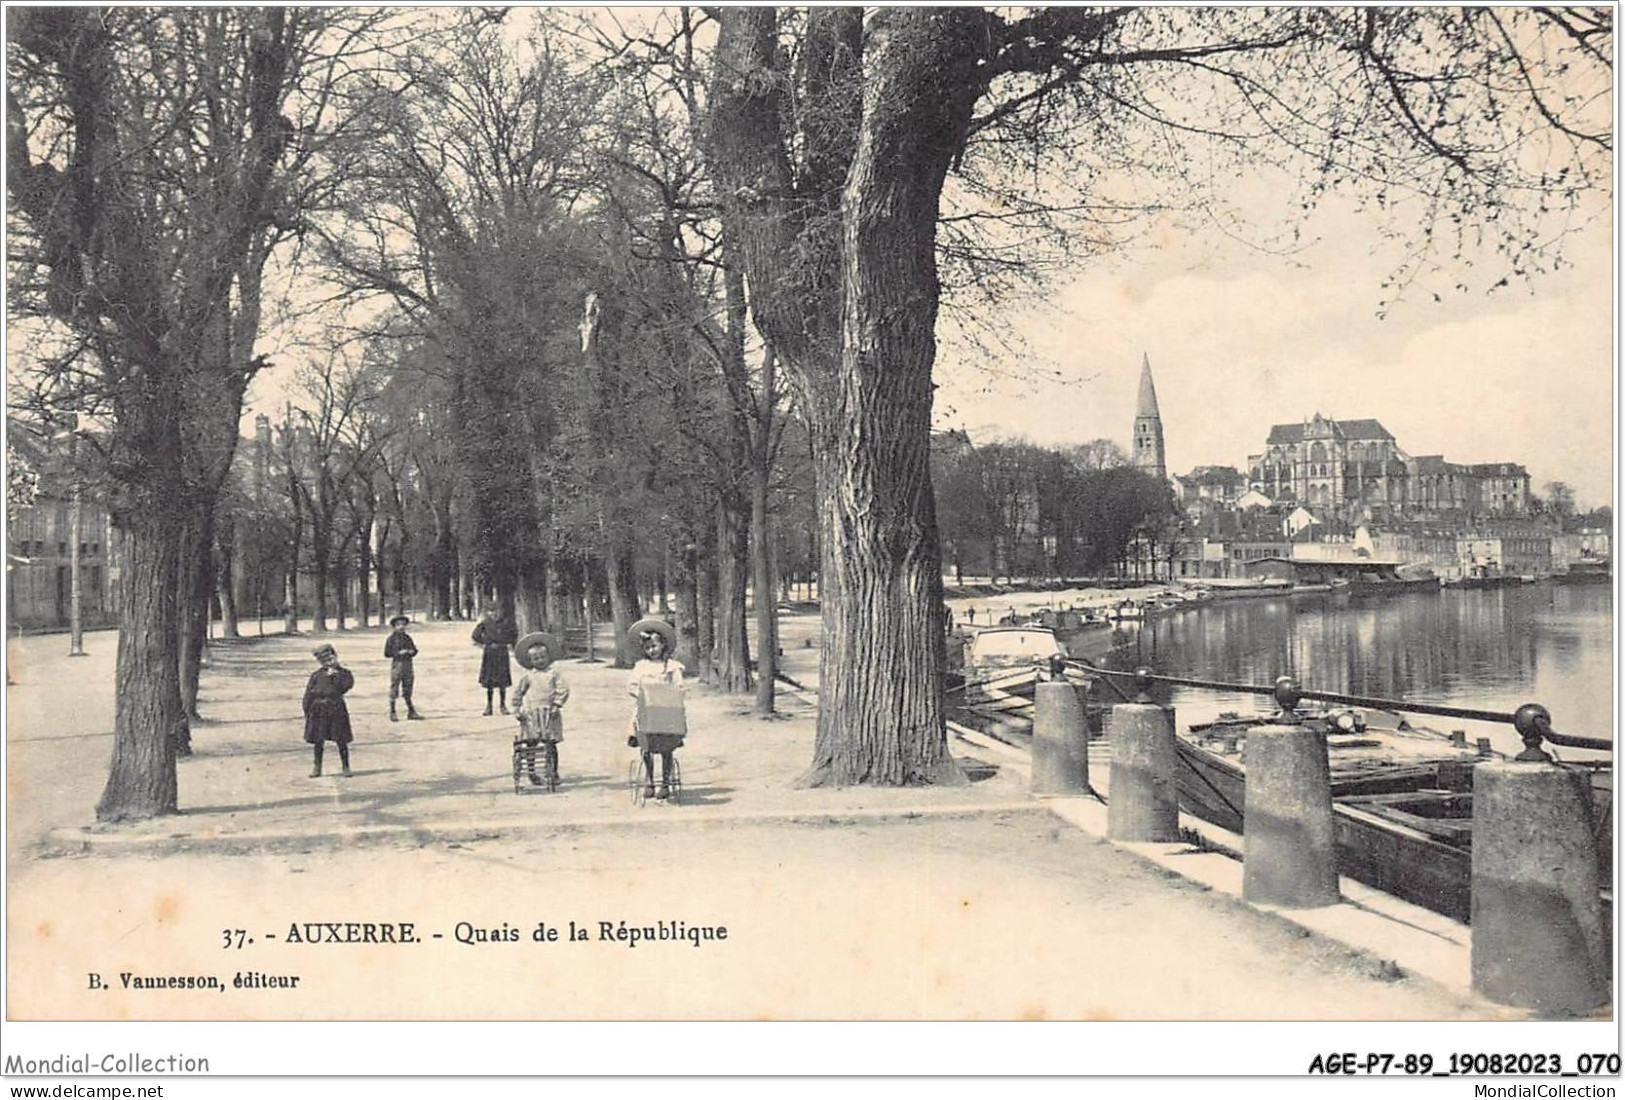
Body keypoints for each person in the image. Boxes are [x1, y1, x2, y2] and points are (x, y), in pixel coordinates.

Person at [626, 617, 683, 801]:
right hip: (646, 711)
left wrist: (670, 694)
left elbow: (679, 687)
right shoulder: (641, 667)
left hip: (666, 712)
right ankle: (650, 780)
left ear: (663, 645)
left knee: (667, 748)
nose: (652, 651)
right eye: (648, 648)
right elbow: (632, 685)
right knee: (646, 746)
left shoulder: (671, 667)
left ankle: (665, 782)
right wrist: (641, 693)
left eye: (655, 646)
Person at [511, 632, 569, 787]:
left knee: (551, 743)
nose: (540, 661)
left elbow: (562, 689)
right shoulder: (528, 676)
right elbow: (518, 692)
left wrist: (557, 704)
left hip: (549, 713)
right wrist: (517, 709)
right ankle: (532, 772)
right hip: (532, 714)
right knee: (531, 744)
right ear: (530, 661)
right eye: (536, 659)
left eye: (543, 657)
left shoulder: (553, 674)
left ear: (549, 657)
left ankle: (553, 772)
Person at [303, 643, 355, 778]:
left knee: (341, 739)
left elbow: (345, 686)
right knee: (318, 740)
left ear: (335, 656)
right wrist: (307, 710)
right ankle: (317, 767)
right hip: (319, 709)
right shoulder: (316, 675)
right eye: (324, 660)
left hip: (336, 707)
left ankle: (346, 766)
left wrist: (335, 675)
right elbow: (309, 693)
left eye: (331, 658)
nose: (329, 662)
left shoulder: (344, 673)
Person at [471, 607, 516, 716]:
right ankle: (489, 706)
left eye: (497, 611)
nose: (495, 614)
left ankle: (502, 705)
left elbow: (514, 634)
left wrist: (507, 642)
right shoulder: (485, 623)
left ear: (501, 612)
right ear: (488, 613)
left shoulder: (506, 623)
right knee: (489, 681)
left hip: (502, 652)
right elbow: (475, 635)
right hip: (490, 653)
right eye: (492, 612)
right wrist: (485, 643)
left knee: (502, 681)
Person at [383, 614, 423, 722]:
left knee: (408, 688)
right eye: (398, 625)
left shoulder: (407, 638)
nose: (401, 627)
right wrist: (398, 653)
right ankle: (392, 711)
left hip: (408, 665)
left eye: (403, 625)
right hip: (397, 665)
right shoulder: (391, 639)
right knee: (394, 687)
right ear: (394, 626)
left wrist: (411, 652)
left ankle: (411, 711)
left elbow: (415, 650)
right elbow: (386, 653)